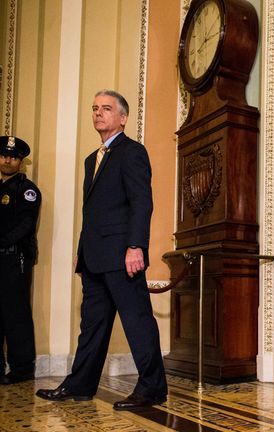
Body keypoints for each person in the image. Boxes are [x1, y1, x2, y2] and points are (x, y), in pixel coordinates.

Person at [36, 89, 167, 409]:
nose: (98, 113)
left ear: (122, 118)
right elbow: (90, 210)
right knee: (91, 326)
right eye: (95, 108)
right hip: (95, 257)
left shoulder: (132, 152)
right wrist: (82, 251)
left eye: (106, 109)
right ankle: (80, 385)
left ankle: (152, 388)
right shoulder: (90, 160)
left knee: (137, 322)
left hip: (124, 255)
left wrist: (136, 245)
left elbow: (141, 202)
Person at [0, 136, 40, 385]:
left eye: (13, 157)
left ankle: (22, 369)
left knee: (15, 314)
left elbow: (25, 225)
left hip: (15, 258)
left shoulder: (26, 190)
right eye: (4, 155)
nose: (7, 160)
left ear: (20, 161)